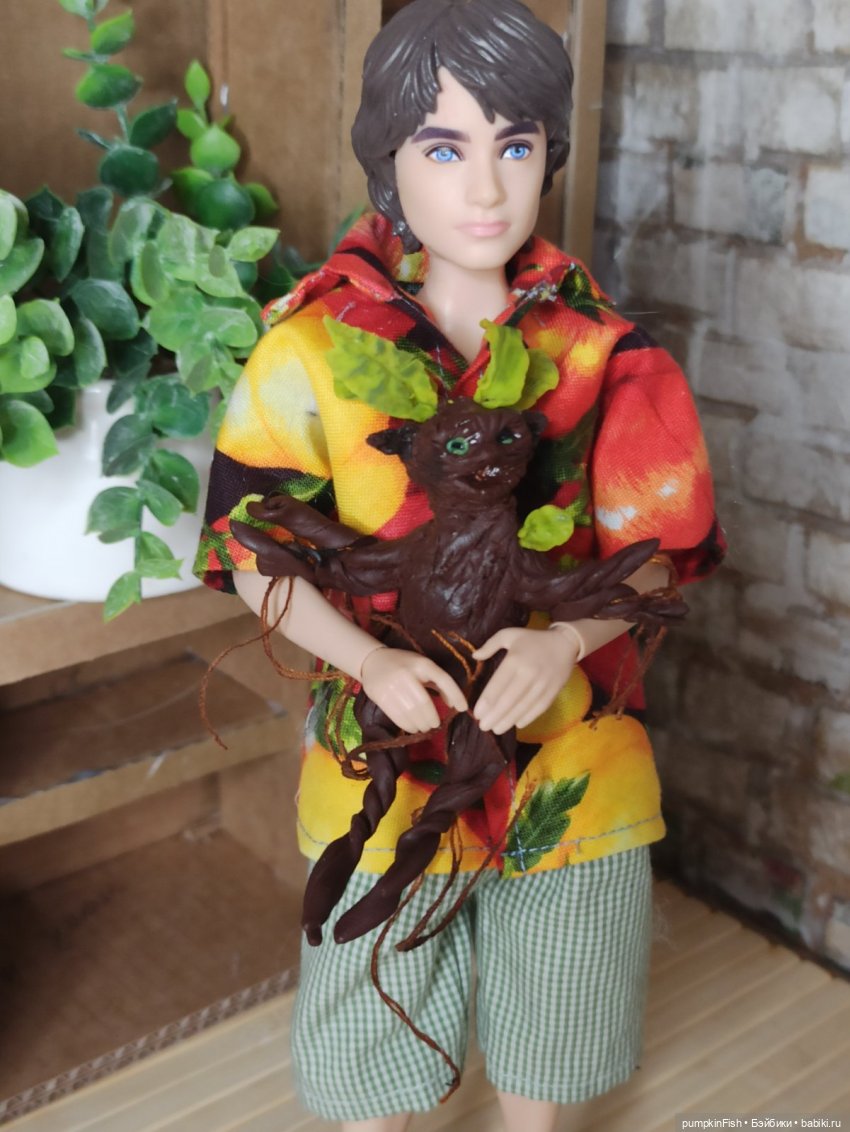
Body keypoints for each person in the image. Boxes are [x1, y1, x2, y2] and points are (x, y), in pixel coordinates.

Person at [195, 2, 725, 1129]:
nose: (485, 188)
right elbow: (254, 549)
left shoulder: (608, 355)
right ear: (387, 160)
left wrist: (565, 639)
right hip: (383, 754)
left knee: (560, 998)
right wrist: (366, 662)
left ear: (548, 154)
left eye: (515, 146)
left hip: (572, 749)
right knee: (369, 1010)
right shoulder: (309, 352)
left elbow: (661, 556)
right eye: (444, 149)